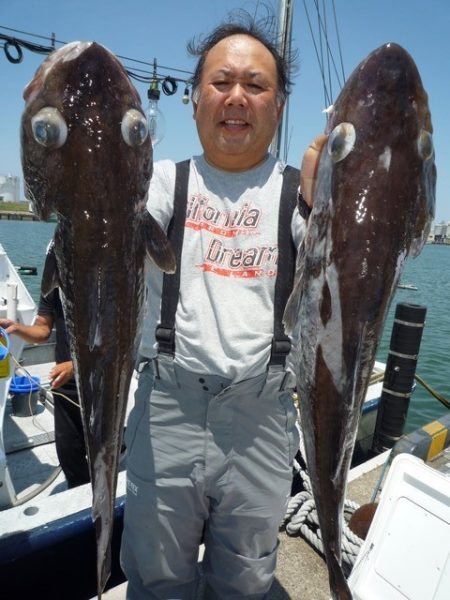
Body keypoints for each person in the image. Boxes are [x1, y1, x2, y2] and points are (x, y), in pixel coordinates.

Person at [120, 15, 323, 600]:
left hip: (262, 417)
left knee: (246, 576)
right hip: (167, 407)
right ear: (192, 100)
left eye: (256, 85)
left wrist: (327, 200)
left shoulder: (297, 196)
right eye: (221, 82)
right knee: (157, 576)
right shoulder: (159, 184)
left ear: (279, 106)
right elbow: (98, 215)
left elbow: (341, 280)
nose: (237, 97)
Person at [0, 265, 90, 489]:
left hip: (100, 382)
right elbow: (42, 330)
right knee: (68, 449)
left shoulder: (104, 282)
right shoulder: (54, 280)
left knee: (104, 442)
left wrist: (77, 366)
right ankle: (80, 495)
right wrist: (16, 328)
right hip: (65, 382)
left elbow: (118, 341)